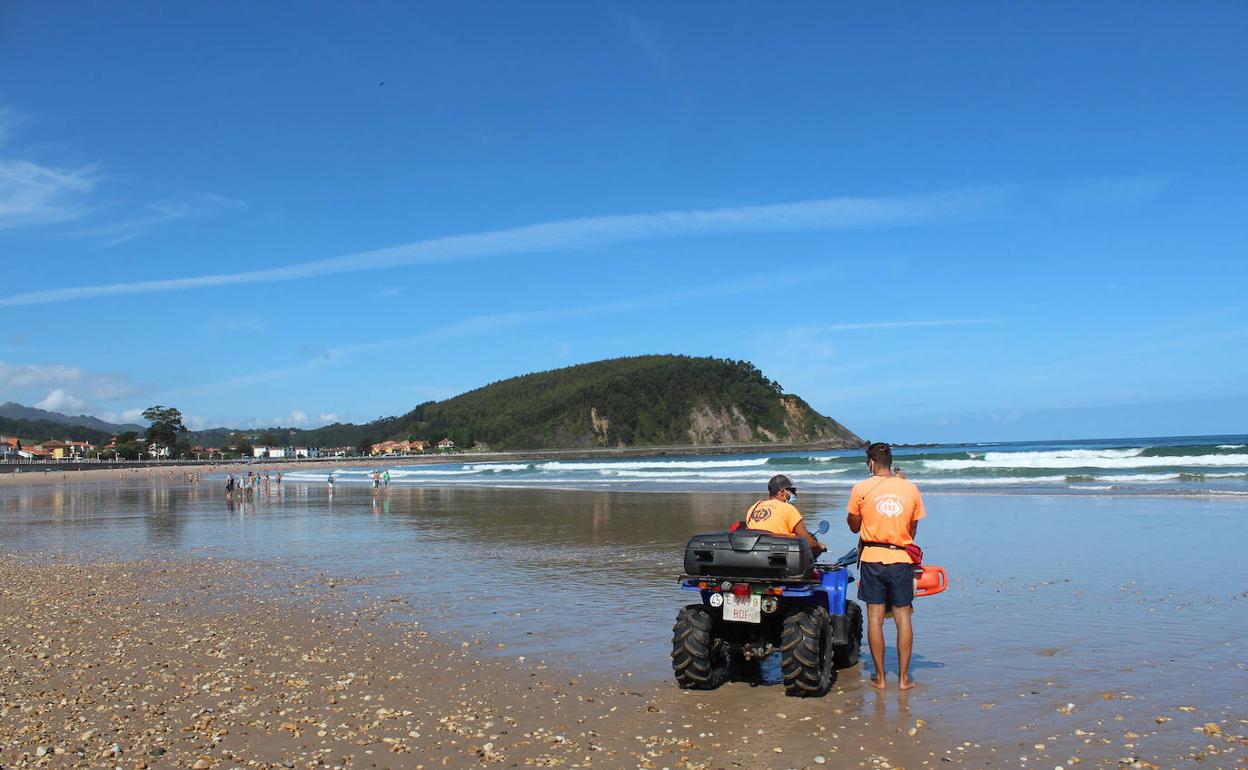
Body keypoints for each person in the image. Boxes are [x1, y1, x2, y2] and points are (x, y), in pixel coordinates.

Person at [847, 442, 927, 690]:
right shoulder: (910, 488)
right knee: (903, 618)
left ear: (870, 463)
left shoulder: (860, 488)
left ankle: (880, 679)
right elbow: (912, 530)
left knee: (875, 618)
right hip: (901, 559)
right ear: (890, 462)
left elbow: (853, 526)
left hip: (872, 558)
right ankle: (904, 680)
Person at [743, 474, 825, 557]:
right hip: (779, 558)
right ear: (782, 492)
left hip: (754, 556)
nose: (795, 495)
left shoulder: (754, 507)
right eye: (793, 491)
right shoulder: (788, 509)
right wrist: (820, 547)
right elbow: (810, 544)